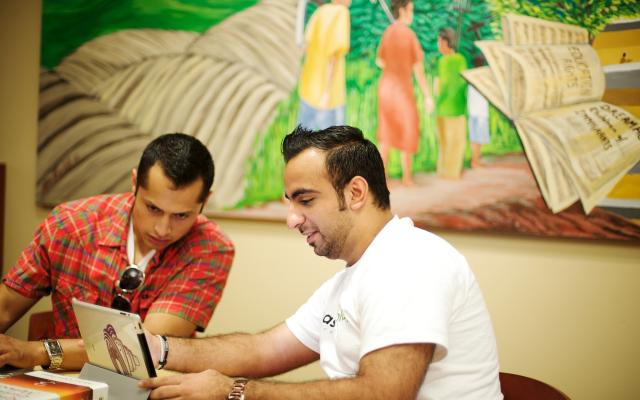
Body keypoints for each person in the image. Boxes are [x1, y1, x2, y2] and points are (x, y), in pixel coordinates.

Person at [140, 125, 502, 400]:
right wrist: (158, 347)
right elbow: (264, 349)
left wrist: (236, 392)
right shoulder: (352, 280)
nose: (292, 219)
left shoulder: (410, 262)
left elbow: (384, 393)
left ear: (355, 192)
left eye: (306, 200)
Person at [0, 133, 235, 370]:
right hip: (62, 384)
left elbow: (141, 348)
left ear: (206, 200)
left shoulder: (211, 249)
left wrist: (37, 352)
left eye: (181, 215)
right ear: (134, 182)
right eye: (153, 208)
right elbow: (6, 306)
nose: (162, 229)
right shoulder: (71, 225)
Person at [376, 0, 433, 186]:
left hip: (386, 88)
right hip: (402, 90)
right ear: (402, 11)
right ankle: (407, 178)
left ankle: (383, 179)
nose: (412, 14)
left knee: (387, 133)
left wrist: (393, 66)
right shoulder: (409, 35)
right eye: (411, 10)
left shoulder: (388, 32)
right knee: (408, 129)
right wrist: (427, 95)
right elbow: (418, 70)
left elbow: (379, 61)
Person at [297, 0, 351, 130]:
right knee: (333, 147)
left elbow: (305, 47)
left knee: (302, 143)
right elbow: (333, 57)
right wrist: (326, 93)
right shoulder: (341, 13)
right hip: (329, 98)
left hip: (308, 91)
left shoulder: (319, 12)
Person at [435, 27, 468, 179]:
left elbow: (441, 85)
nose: (438, 44)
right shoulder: (461, 60)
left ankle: (443, 172)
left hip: (442, 107)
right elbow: (462, 83)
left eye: (439, 41)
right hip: (457, 107)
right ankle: (452, 173)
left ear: (445, 42)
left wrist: (437, 99)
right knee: (456, 142)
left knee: (444, 142)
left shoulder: (443, 61)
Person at [467, 54, 490, 168]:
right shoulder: (483, 79)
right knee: (479, 139)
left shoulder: (471, 78)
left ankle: (475, 160)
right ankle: (475, 162)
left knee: (474, 138)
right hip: (481, 113)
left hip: (473, 112)